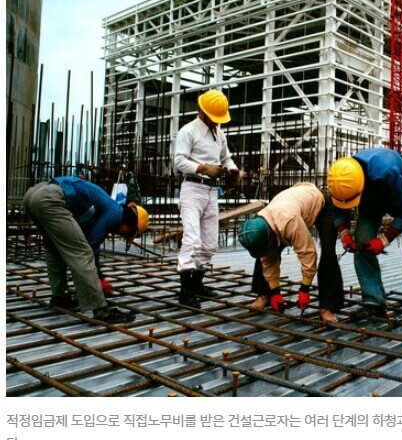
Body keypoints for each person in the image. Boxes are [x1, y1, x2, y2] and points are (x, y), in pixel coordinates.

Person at [327, 148, 402, 330]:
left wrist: (384, 240)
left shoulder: (386, 173)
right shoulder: (341, 178)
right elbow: (336, 208)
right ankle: (374, 302)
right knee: (362, 241)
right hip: (371, 199)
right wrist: (344, 234)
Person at [23, 176, 148, 323]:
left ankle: (59, 296)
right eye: (128, 234)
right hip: (49, 198)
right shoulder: (116, 212)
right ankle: (101, 310)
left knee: (54, 248)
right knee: (82, 252)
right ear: (129, 224)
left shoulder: (106, 205)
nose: (123, 236)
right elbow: (91, 245)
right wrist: (100, 279)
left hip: (33, 195)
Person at [237, 182, 344, 322]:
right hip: (295, 200)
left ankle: (327, 306)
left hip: (321, 204)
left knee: (328, 253)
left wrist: (304, 289)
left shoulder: (289, 221)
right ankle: (264, 294)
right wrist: (275, 292)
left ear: (270, 234)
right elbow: (267, 260)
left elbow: (308, 253)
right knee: (263, 252)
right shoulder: (260, 223)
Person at [174, 89, 241, 308]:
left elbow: (226, 157)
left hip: (211, 192)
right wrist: (202, 168)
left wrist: (232, 170)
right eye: (214, 118)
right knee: (192, 239)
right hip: (193, 188)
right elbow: (179, 161)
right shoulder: (188, 131)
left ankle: (197, 284)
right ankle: (185, 290)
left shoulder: (218, 132)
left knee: (210, 243)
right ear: (202, 111)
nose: (216, 122)